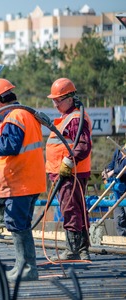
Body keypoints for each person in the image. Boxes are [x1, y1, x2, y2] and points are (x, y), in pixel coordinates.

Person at [0, 78, 46, 281]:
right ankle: (22, 266)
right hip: (28, 179)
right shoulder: (26, 114)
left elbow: (8, 147)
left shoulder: (15, 117)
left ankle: (28, 268)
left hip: (20, 181)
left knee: (17, 223)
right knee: (19, 224)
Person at [45, 78, 92, 261]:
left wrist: (68, 162)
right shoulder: (69, 117)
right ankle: (82, 249)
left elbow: (82, 145)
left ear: (69, 98)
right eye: (53, 100)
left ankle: (73, 249)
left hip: (69, 173)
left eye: (58, 100)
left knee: (70, 209)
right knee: (76, 209)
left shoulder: (74, 119)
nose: (55, 104)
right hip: (68, 172)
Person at [103, 145, 126, 236]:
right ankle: (122, 240)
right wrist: (107, 170)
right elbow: (112, 164)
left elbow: (121, 170)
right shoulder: (118, 151)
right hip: (118, 190)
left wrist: (113, 171)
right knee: (119, 216)